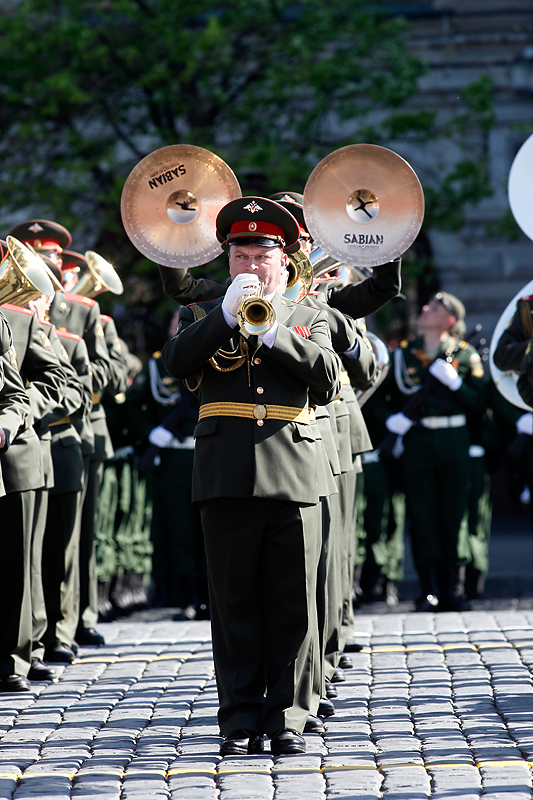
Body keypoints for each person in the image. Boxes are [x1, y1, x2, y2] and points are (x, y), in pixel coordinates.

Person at [162, 196, 341, 756]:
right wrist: (223, 317)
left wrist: (272, 335)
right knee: (234, 600)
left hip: (293, 468)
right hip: (225, 472)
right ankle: (239, 714)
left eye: (261, 256)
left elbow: (329, 379)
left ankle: (287, 714)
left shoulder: (308, 315)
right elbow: (175, 364)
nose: (249, 266)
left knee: (292, 601)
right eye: (239, 255)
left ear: (284, 261)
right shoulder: (202, 315)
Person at [384, 292, 485, 611]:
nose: (425, 309)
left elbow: (481, 404)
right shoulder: (403, 355)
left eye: (435, 308)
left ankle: (453, 587)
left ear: (449, 321)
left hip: (455, 439)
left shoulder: (466, 356)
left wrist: (458, 385)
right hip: (418, 441)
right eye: (427, 306)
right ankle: (428, 588)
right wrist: (394, 421)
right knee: (423, 512)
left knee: (455, 513)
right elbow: (388, 398)